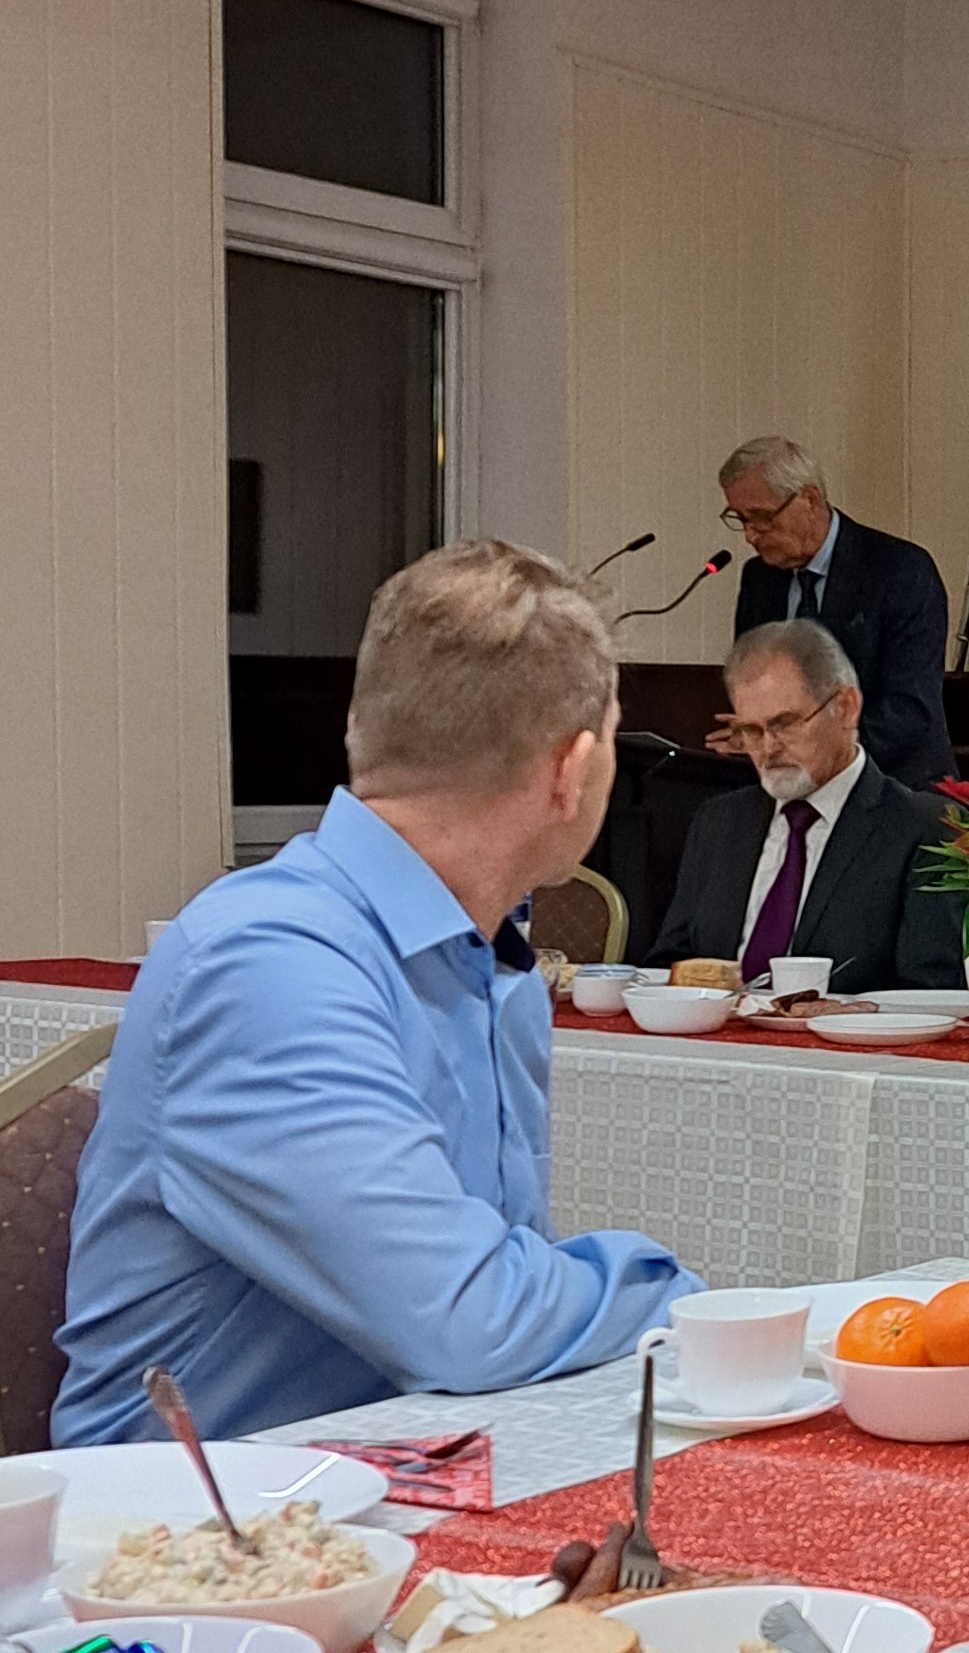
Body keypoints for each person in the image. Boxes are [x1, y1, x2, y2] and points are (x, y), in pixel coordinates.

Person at [54, 542, 701, 1446]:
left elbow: (480, 1313)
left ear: (364, 723)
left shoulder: (489, 965)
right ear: (571, 771)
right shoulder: (269, 962)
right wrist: (680, 1297)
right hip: (189, 1513)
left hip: (392, 1467)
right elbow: (469, 1321)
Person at [648, 620, 966, 993]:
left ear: (845, 708)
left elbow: (929, 993)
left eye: (784, 724)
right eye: (751, 731)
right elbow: (671, 965)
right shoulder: (719, 822)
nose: (768, 748)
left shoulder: (924, 830)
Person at [718, 435, 956, 788]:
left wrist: (814, 752)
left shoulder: (900, 570)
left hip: (895, 788)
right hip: (792, 789)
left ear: (809, 500)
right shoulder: (760, 578)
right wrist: (750, 732)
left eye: (763, 518)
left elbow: (909, 709)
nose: (750, 536)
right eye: (741, 519)